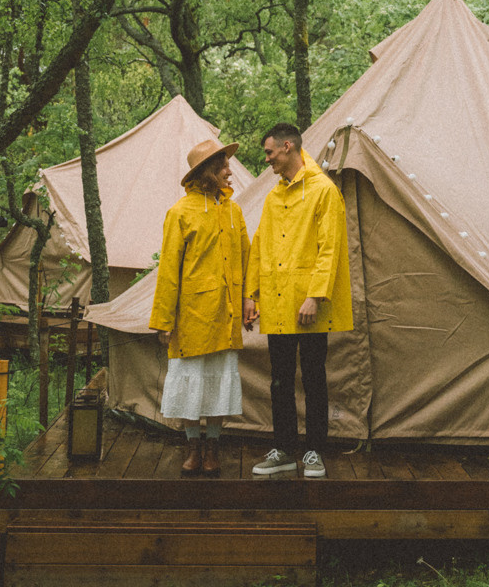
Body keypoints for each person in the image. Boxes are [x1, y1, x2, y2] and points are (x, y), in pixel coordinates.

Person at [242, 121, 352, 479]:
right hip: (276, 303)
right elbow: (261, 245)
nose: (268, 160)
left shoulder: (323, 191)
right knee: (280, 379)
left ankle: (315, 451)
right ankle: (284, 449)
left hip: (308, 307)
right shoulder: (275, 196)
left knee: (315, 377)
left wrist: (316, 296)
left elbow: (330, 248)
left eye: (270, 152)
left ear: (288, 147)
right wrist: (251, 294)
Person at [149, 136, 249, 477]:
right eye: (222, 165)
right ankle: (192, 446)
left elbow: (247, 259)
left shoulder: (234, 211)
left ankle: (213, 446)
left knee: (219, 384)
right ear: (205, 172)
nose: (228, 170)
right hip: (191, 315)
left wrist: (251, 299)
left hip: (227, 312)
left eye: (227, 164)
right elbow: (168, 270)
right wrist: (164, 319)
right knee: (192, 384)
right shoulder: (180, 212)